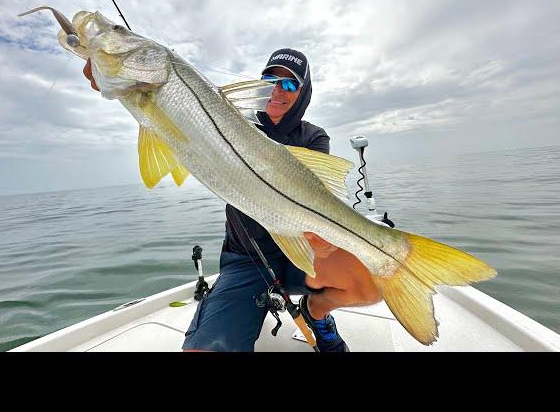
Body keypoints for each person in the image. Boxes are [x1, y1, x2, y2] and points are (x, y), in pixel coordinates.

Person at [83, 48, 382, 352]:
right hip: (246, 259)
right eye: (270, 79)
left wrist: (324, 242)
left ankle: (316, 312)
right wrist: (117, 83)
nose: (278, 90)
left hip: (302, 251)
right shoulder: (230, 117)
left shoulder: (313, 137)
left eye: (290, 84)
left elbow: (313, 198)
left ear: (303, 94)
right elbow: (177, 117)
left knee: (378, 278)